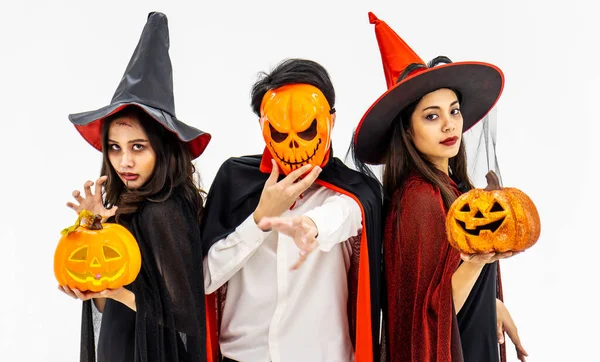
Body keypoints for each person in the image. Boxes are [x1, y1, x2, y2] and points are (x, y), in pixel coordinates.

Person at [351, 12, 528, 362]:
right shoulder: (419, 199)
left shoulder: (453, 188)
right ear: (408, 131)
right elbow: (430, 309)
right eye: (431, 116)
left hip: (471, 341)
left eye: (454, 111)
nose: (449, 125)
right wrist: (477, 263)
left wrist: (490, 302)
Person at [201, 58, 383, 362]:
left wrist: (311, 224)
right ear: (263, 127)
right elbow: (207, 279)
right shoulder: (235, 179)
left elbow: (346, 214)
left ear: (331, 121)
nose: (294, 146)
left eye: (307, 130)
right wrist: (260, 219)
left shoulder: (354, 192)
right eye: (280, 134)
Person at [57, 12, 212, 362]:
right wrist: (95, 235)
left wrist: (117, 291)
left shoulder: (164, 211)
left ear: (162, 146)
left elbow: (185, 314)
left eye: (137, 147)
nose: (124, 161)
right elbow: (105, 298)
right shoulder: (125, 202)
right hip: (117, 348)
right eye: (115, 147)